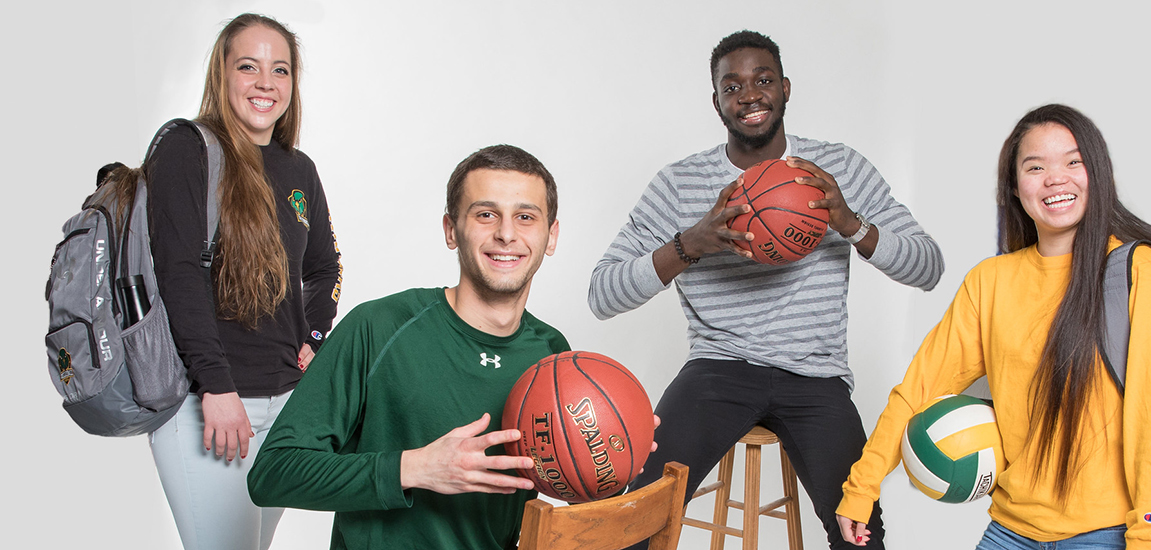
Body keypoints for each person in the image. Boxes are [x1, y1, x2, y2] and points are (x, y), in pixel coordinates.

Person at [589, 30, 943, 549]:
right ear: (716, 103)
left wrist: (849, 222)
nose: (749, 95)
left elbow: (928, 267)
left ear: (786, 89)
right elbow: (603, 294)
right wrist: (689, 244)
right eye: (732, 87)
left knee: (861, 531)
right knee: (637, 517)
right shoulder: (680, 183)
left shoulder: (837, 168)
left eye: (763, 80)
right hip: (718, 368)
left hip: (816, 375)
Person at [835, 104, 1151, 550]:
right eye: (1035, 166)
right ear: (1015, 186)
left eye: (1073, 161)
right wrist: (862, 489)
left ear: (1098, 174)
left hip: (1110, 533)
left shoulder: (1139, 272)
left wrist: (1149, 537)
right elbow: (920, 388)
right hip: (1010, 531)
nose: (1055, 178)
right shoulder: (991, 281)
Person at [98, 13, 345, 550]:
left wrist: (317, 338)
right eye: (248, 66)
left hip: (287, 403)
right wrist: (216, 385)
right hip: (207, 401)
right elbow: (178, 274)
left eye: (280, 70)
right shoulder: (188, 149)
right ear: (222, 73)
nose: (265, 83)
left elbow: (326, 267)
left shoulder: (298, 169)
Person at [246, 145, 570, 549]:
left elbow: (551, 475)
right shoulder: (379, 328)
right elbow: (273, 474)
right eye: (486, 214)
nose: (506, 233)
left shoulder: (553, 356)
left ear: (550, 235)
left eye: (525, 217)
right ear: (451, 230)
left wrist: (611, 456)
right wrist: (413, 468)